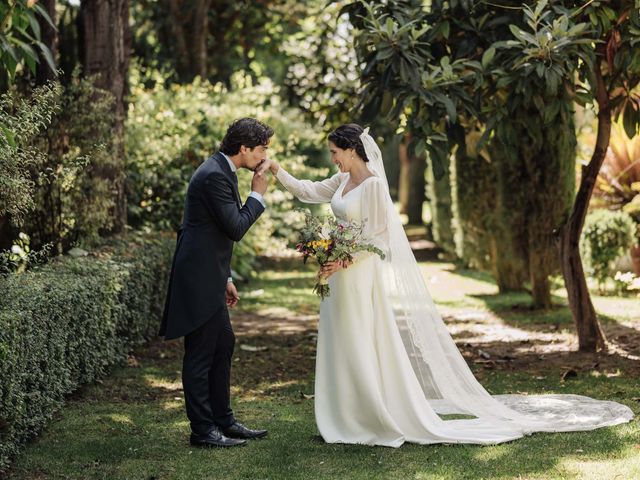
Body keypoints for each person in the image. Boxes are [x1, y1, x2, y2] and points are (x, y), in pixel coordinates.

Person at [257, 123, 633, 447]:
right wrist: (277, 171)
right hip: (336, 277)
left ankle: (368, 416)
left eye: (336, 152)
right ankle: (343, 413)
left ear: (353, 150)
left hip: (357, 276)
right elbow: (308, 191)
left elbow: (381, 239)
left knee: (360, 338)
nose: (333, 158)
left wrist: (342, 261)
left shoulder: (372, 186)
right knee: (340, 339)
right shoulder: (341, 180)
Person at [161, 118, 272, 448]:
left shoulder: (220, 170)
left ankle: (223, 420)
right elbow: (236, 227)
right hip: (197, 278)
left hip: (210, 274)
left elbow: (214, 230)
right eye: (263, 148)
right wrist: (258, 195)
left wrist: (225, 277)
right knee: (200, 354)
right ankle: (203, 430)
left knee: (223, 343)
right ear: (244, 149)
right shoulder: (213, 175)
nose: (266, 154)